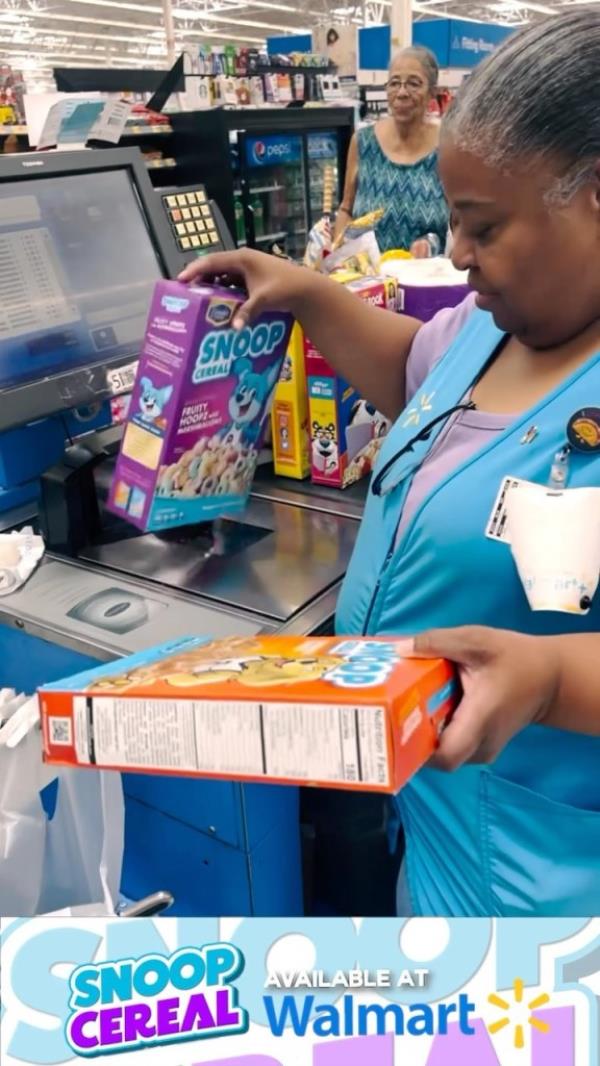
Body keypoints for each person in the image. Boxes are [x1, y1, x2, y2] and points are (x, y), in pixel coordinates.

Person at [180, 9, 600, 917]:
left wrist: (554, 680)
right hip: (441, 844)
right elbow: (419, 367)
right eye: (453, 219)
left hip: (551, 889)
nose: (456, 253)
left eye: (483, 227)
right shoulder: (492, 324)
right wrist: (308, 296)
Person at [334, 45, 449, 257]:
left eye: (414, 84)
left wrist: (432, 243)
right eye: (395, 83)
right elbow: (346, 210)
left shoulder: (448, 145)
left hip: (426, 281)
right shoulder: (362, 142)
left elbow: (463, 220)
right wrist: (340, 251)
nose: (402, 93)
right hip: (369, 283)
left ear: (433, 91)